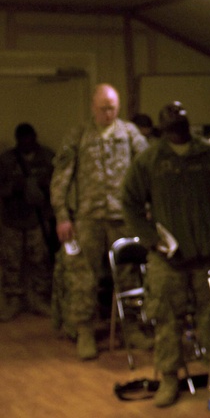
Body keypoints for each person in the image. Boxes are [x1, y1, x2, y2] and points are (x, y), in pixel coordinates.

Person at [121, 102, 210, 407]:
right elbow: (129, 202)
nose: (176, 126)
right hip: (167, 259)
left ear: (188, 123)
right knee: (166, 319)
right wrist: (150, 240)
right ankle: (169, 377)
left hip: (208, 256)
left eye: (180, 121)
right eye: (169, 122)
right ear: (162, 128)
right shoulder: (150, 160)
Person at [49, 83, 148, 360]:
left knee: (129, 274)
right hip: (88, 218)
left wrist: (147, 209)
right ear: (93, 108)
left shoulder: (130, 134)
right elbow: (61, 178)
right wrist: (62, 215)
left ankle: (131, 327)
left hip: (123, 217)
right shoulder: (79, 135)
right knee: (83, 276)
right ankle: (84, 331)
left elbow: (146, 171)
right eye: (103, 108)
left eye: (113, 108)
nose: (108, 113)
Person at [0, 123, 56, 321]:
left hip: (38, 219)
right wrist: (14, 188)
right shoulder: (6, 160)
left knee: (40, 259)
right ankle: (13, 298)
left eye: (29, 138)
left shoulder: (48, 157)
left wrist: (43, 187)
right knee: (11, 262)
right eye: (22, 139)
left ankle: (39, 298)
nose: (26, 142)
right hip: (12, 219)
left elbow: (59, 185)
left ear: (35, 137)